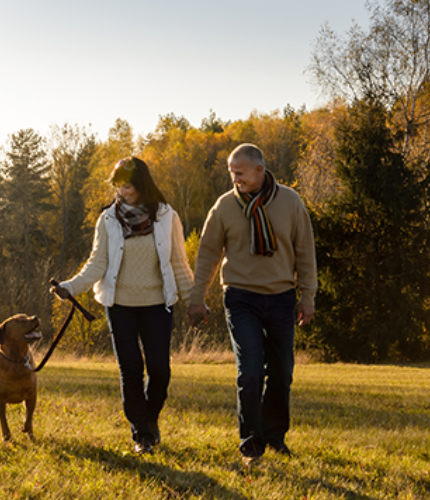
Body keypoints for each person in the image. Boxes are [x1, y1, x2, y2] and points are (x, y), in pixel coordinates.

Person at [52, 157, 193, 454]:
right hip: (120, 306)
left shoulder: (168, 217)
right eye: (117, 185)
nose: (121, 191)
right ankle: (142, 434)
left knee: (160, 371)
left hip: (158, 305)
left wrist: (195, 300)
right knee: (130, 368)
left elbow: (180, 263)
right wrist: (69, 287)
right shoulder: (108, 220)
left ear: (142, 185)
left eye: (127, 185)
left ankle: (149, 420)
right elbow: (97, 264)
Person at [188, 143, 317, 465]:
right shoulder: (224, 206)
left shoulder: (291, 202)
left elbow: (305, 252)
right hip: (241, 297)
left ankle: (275, 438)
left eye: (240, 173)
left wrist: (308, 297)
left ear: (260, 171)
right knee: (249, 373)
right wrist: (196, 298)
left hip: (281, 297)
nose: (235, 179)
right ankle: (250, 444)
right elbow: (207, 255)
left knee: (281, 372)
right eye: (232, 173)